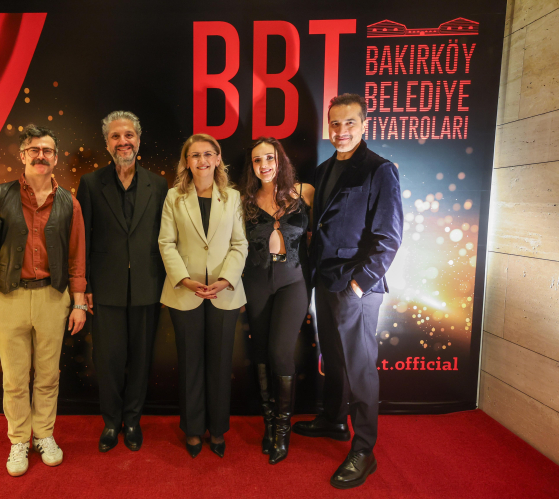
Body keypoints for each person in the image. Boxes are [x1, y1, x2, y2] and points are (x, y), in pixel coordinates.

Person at [0, 124, 87, 477]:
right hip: (9, 297)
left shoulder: (70, 203)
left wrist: (79, 303)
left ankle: (44, 435)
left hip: (53, 298)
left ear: (56, 157)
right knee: (15, 378)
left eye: (47, 150)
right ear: (22, 156)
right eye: (34, 150)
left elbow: (77, 256)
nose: (40, 155)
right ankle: (19, 439)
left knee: (48, 376)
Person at [292, 93, 403, 489]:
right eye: (335, 124)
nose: (341, 131)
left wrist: (359, 284)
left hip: (356, 287)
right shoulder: (324, 170)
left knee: (360, 367)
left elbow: (389, 238)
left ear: (364, 125)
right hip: (325, 281)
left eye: (349, 123)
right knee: (335, 358)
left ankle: (364, 449)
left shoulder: (379, 169)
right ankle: (334, 420)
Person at [76, 111, 168, 452]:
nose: (123, 141)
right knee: (108, 360)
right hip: (105, 288)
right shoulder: (90, 183)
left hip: (148, 286)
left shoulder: (158, 185)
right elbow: (81, 239)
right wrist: (84, 287)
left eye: (128, 135)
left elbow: (166, 238)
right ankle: (111, 422)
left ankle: (132, 421)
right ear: (107, 143)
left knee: (141, 360)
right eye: (115, 136)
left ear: (138, 140)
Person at [158, 133, 248, 458]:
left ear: (218, 158)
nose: (202, 160)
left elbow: (240, 243)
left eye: (208, 154)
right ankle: (194, 430)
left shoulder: (233, 197)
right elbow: (166, 243)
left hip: (225, 293)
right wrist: (184, 280)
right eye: (195, 155)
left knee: (221, 364)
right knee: (190, 364)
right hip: (185, 292)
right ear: (187, 161)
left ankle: (218, 429)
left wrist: (225, 280)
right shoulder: (174, 197)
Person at [239, 137, 313, 464]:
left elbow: (321, 236)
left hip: (293, 283)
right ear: (252, 166)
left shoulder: (305, 193)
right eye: (257, 160)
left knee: (280, 352)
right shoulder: (244, 201)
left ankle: (283, 431)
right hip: (255, 284)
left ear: (280, 160)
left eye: (269, 158)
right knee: (260, 353)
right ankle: (269, 425)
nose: (264, 165)